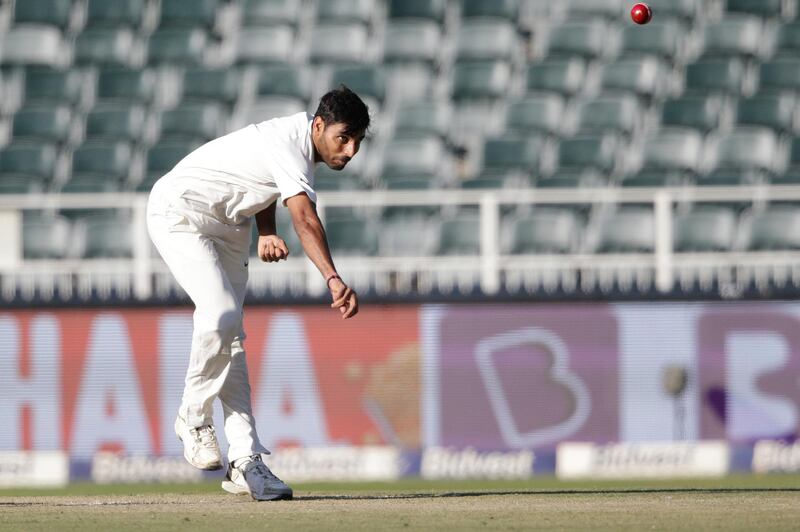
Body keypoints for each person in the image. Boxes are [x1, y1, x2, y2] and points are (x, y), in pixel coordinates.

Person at [146, 86, 367, 501]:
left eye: (357, 141)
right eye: (344, 137)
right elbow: (304, 219)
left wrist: (266, 229)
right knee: (220, 316)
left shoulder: (292, 146)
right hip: (180, 212)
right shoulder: (290, 141)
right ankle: (192, 416)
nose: (351, 150)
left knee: (231, 338)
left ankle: (245, 460)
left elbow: (264, 180)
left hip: (230, 227)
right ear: (318, 125)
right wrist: (333, 279)